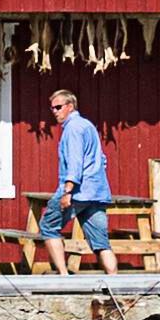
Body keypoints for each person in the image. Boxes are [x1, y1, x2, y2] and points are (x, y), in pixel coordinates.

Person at [43, 87, 114, 268]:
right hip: (97, 193)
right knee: (101, 243)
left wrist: (68, 191)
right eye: (52, 108)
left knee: (49, 227)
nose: (55, 112)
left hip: (77, 193)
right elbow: (102, 160)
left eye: (58, 107)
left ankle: (63, 278)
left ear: (70, 106)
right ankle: (116, 286)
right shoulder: (88, 126)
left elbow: (75, 162)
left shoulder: (72, 129)